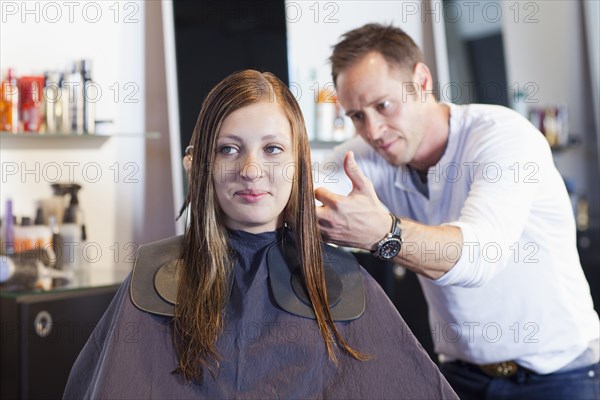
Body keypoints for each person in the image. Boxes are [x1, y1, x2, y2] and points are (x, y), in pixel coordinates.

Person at [63, 70, 457, 399]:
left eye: (272, 149)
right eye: (229, 150)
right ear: (203, 163)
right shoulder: (156, 276)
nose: (251, 169)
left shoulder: (342, 283)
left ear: (297, 164)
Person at [313, 23, 600, 399]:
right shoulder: (369, 153)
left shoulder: (503, 136)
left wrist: (383, 233)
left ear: (422, 80)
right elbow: (306, 193)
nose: (373, 130)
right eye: (356, 116)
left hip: (558, 375)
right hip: (458, 374)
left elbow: (480, 255)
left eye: (383, 105)